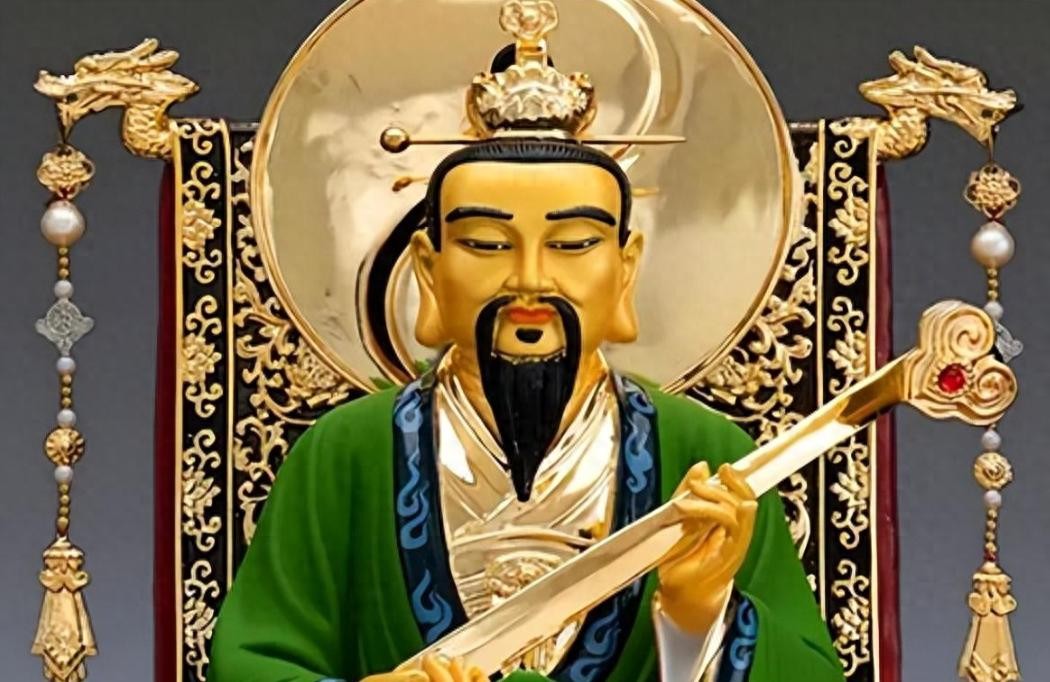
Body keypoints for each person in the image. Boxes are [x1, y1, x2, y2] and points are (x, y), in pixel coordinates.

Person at [210, 3, 843, 680]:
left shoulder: (705, 455)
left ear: (625, 269)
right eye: (487, 244)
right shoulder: (346, 453)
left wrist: (700, 614)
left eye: (573, 245)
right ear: (429, 269)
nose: (531, 280)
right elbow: (252, 664)